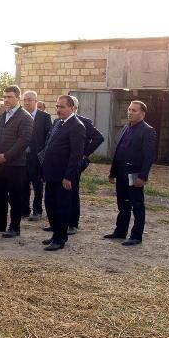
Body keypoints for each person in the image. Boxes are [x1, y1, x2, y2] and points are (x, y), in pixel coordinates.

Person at [0, 85, 33, 239]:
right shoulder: (1, 116)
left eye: (9, 97)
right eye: (4, 97)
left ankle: (14, 227)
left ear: (18, 98)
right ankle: (0, 223)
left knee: (15, 197)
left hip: (16, 165)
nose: (6, 100)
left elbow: (23, 141)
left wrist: (7, 156)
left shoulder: (25, 117)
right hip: (0, 164)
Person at [104, 100, 156, 246]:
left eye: (134, 110)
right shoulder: (126, 128)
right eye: (129, 109)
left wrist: (142, 176)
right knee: (123, 204)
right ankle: (120, 231)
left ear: (143, 113)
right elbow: (118, 152)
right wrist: (112, 172)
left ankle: (136, 236)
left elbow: (149, 156)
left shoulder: (148, 131)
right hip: (120, 173)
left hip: (134, 174)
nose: (130, 112)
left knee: (137, 205)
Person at [39, 95, 86, 251]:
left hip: (63, 177)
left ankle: (60, 239)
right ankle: (55, 234)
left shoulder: (77, 126)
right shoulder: (58, 123)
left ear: (72, 108)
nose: (58, 109)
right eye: (57, 106)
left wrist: (68, 176)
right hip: (51, 174)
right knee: (50, 205)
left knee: (62, 208)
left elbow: (76, 155)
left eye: (62, 107)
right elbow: (49, 147)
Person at [67, 96, 104, 235]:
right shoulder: (59, 121)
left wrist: (84, 153)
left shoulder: (83, 122)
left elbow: (99, 138)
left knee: (72, 191)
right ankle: (59, 222)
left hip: (76, 162)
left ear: (74, 108)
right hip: (62, 162)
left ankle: (72, 224)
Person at [21, 90, 52, 221]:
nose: (27, 102)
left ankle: (37, 211)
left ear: (36, 101)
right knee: (23, 185)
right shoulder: (20, 116)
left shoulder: (44, 117)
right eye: (25, 100)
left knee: (37, 186)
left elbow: (49, 137)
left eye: (29, 99)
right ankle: (24, 210)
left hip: (37, 158)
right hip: (22, 158)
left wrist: (43, 156)